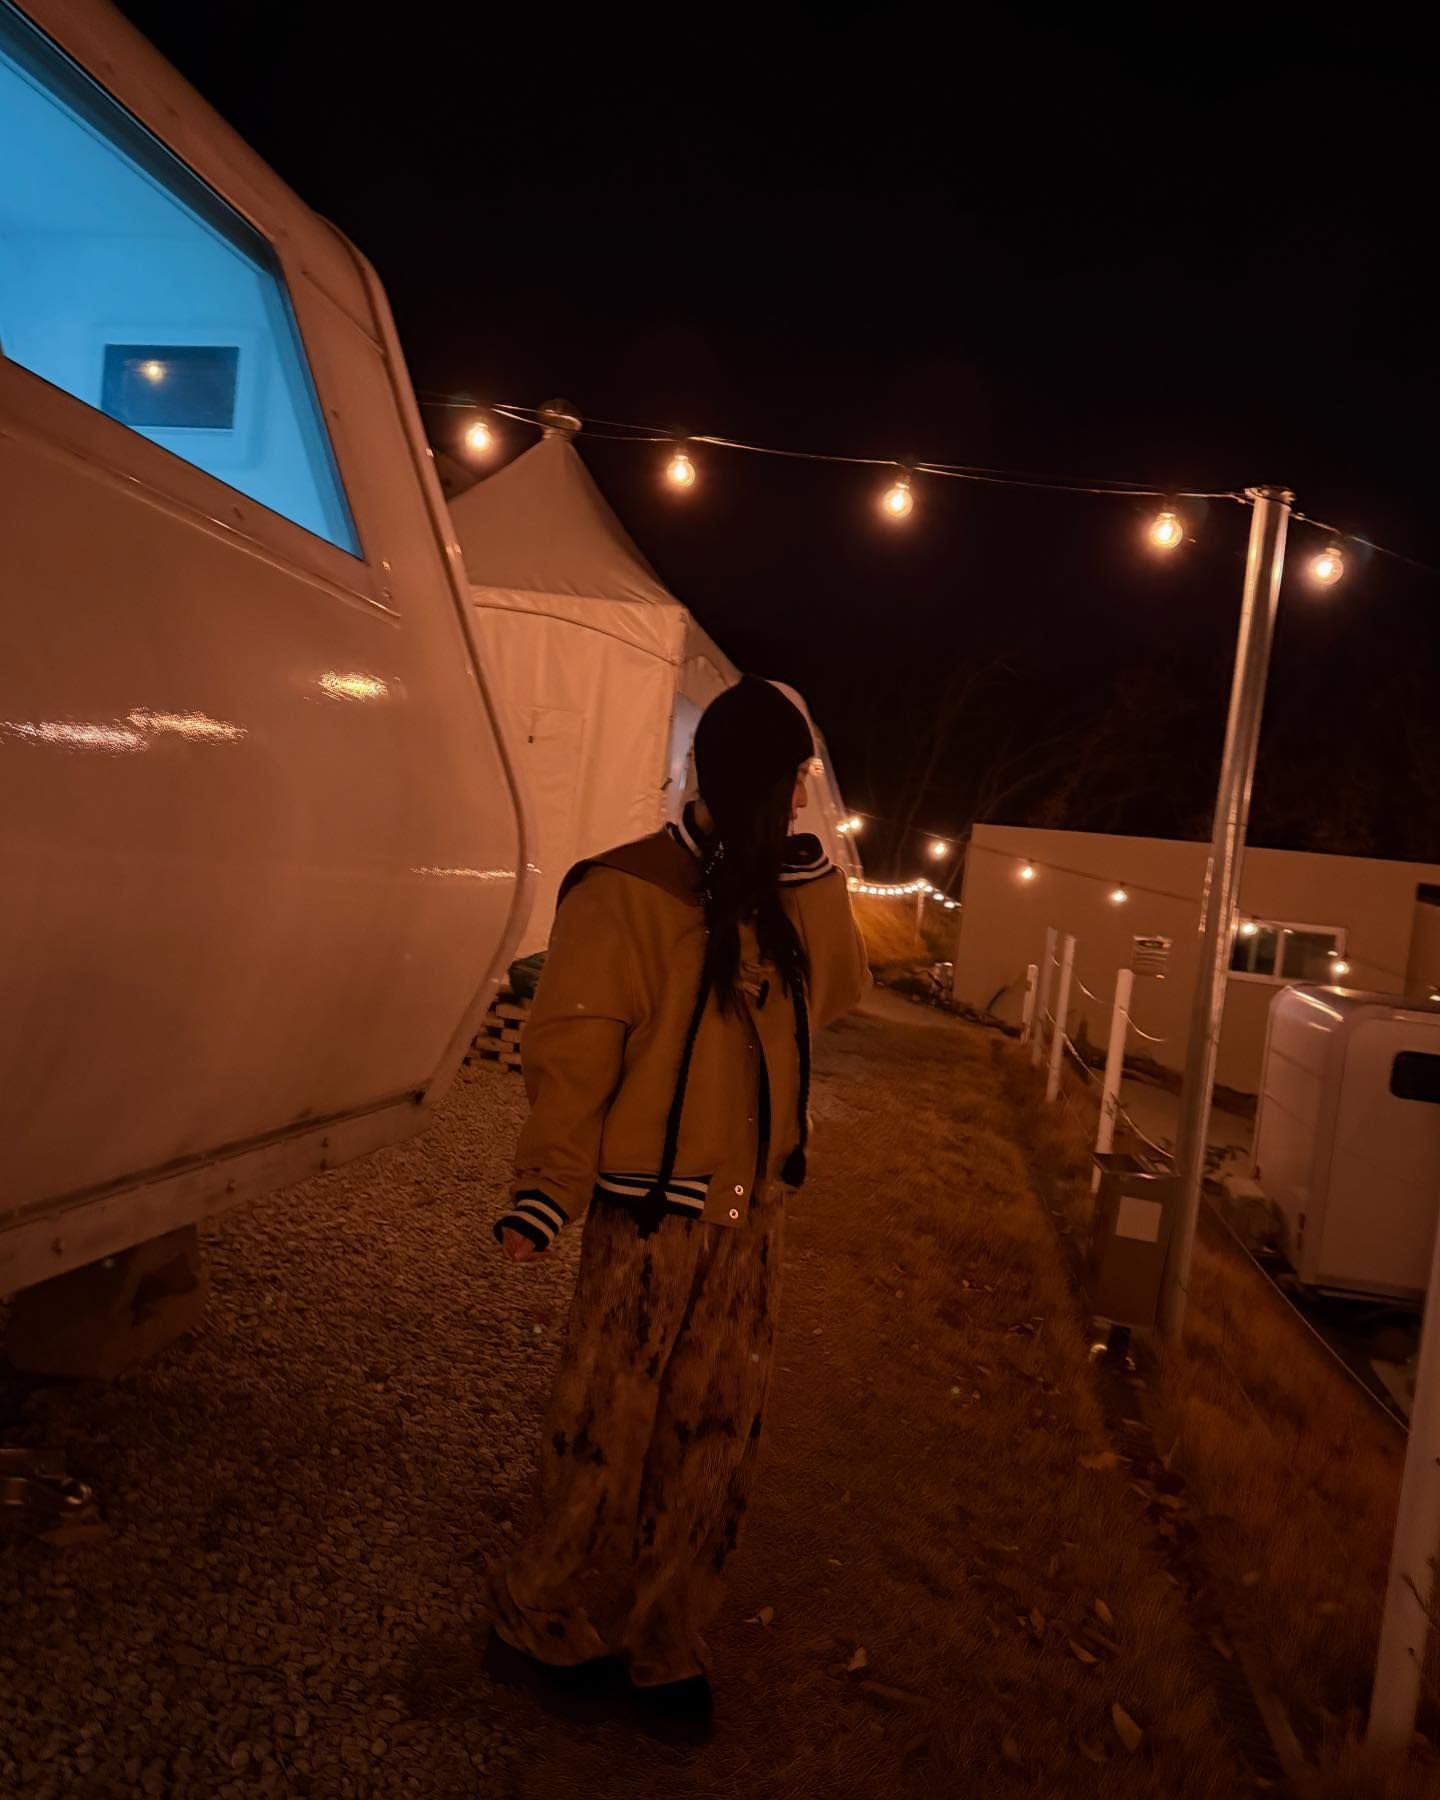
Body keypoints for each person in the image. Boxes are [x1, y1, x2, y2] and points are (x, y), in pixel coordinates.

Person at [489, 676, 868, 1725]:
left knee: (714, 1436)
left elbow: (836, 994)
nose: (802, 798)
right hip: (645, 1214)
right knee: (603, 1424)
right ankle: (535, 1612)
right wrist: (546, 1192)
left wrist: (811, 877)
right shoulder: (628, 887)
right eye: (793, 779)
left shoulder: (782, 895)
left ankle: (666, 1641)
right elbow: (573, 1049)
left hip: (750, 1216)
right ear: (757, 778)